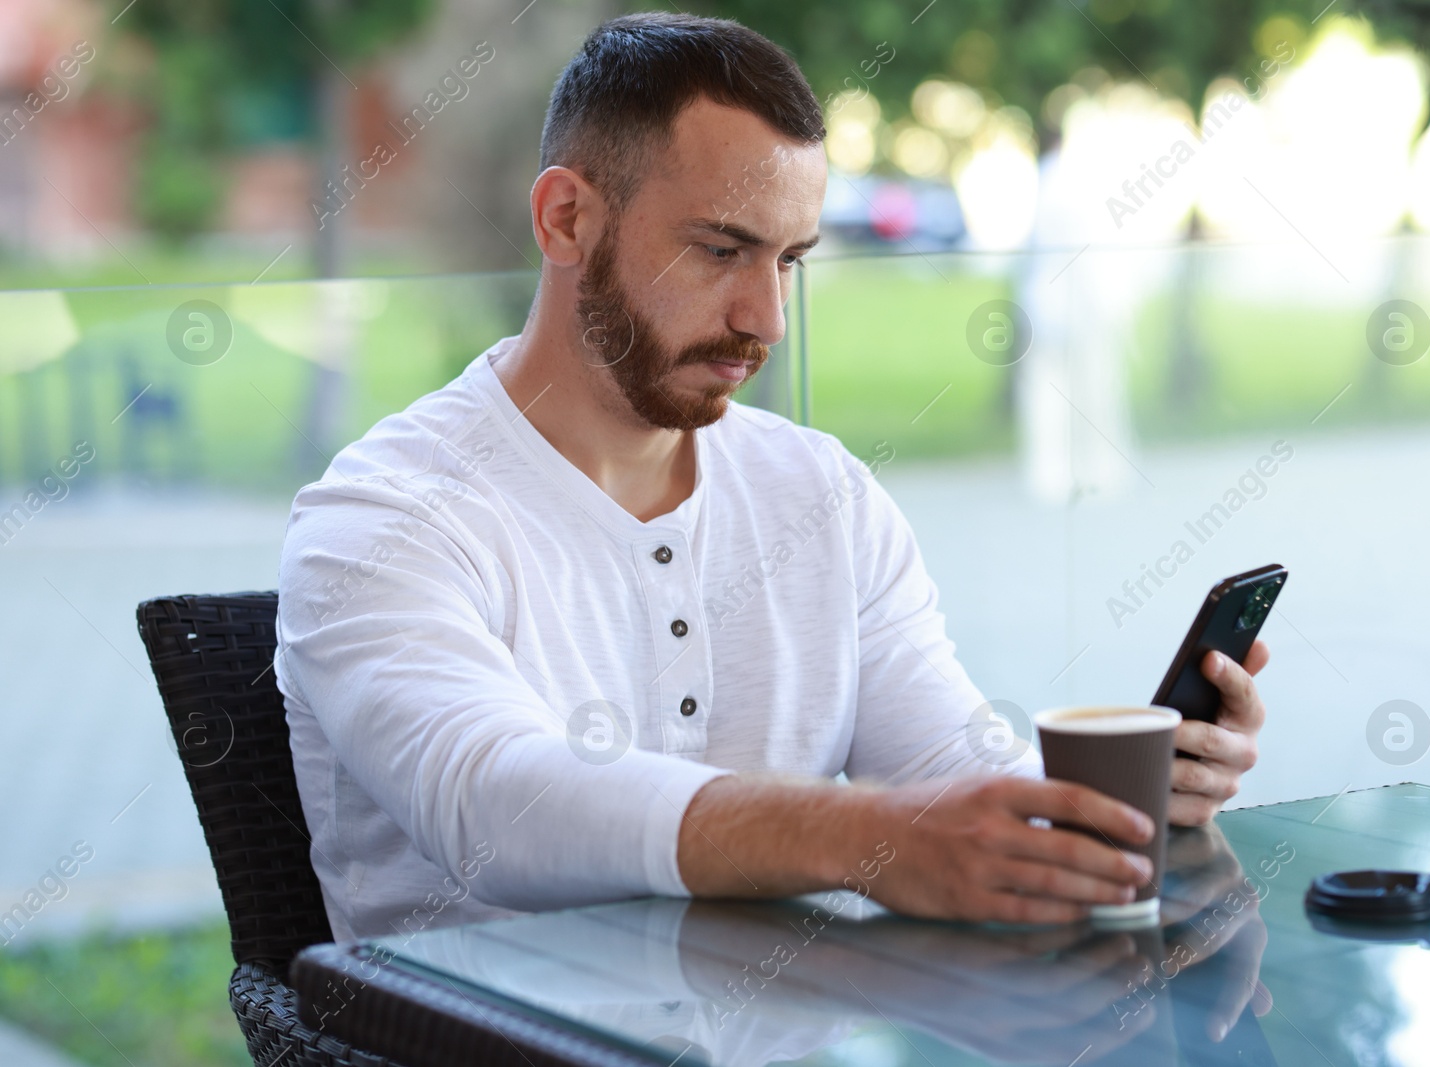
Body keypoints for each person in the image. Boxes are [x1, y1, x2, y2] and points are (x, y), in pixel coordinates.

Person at [276, 11, 1271, 943]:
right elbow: (493, 801)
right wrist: (868, 840)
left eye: (790, 259)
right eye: (721, 249)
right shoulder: (383, 518)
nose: (767, 318)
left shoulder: (821, 496)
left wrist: (1115, 800)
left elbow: (946, 777)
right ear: (567, 220)